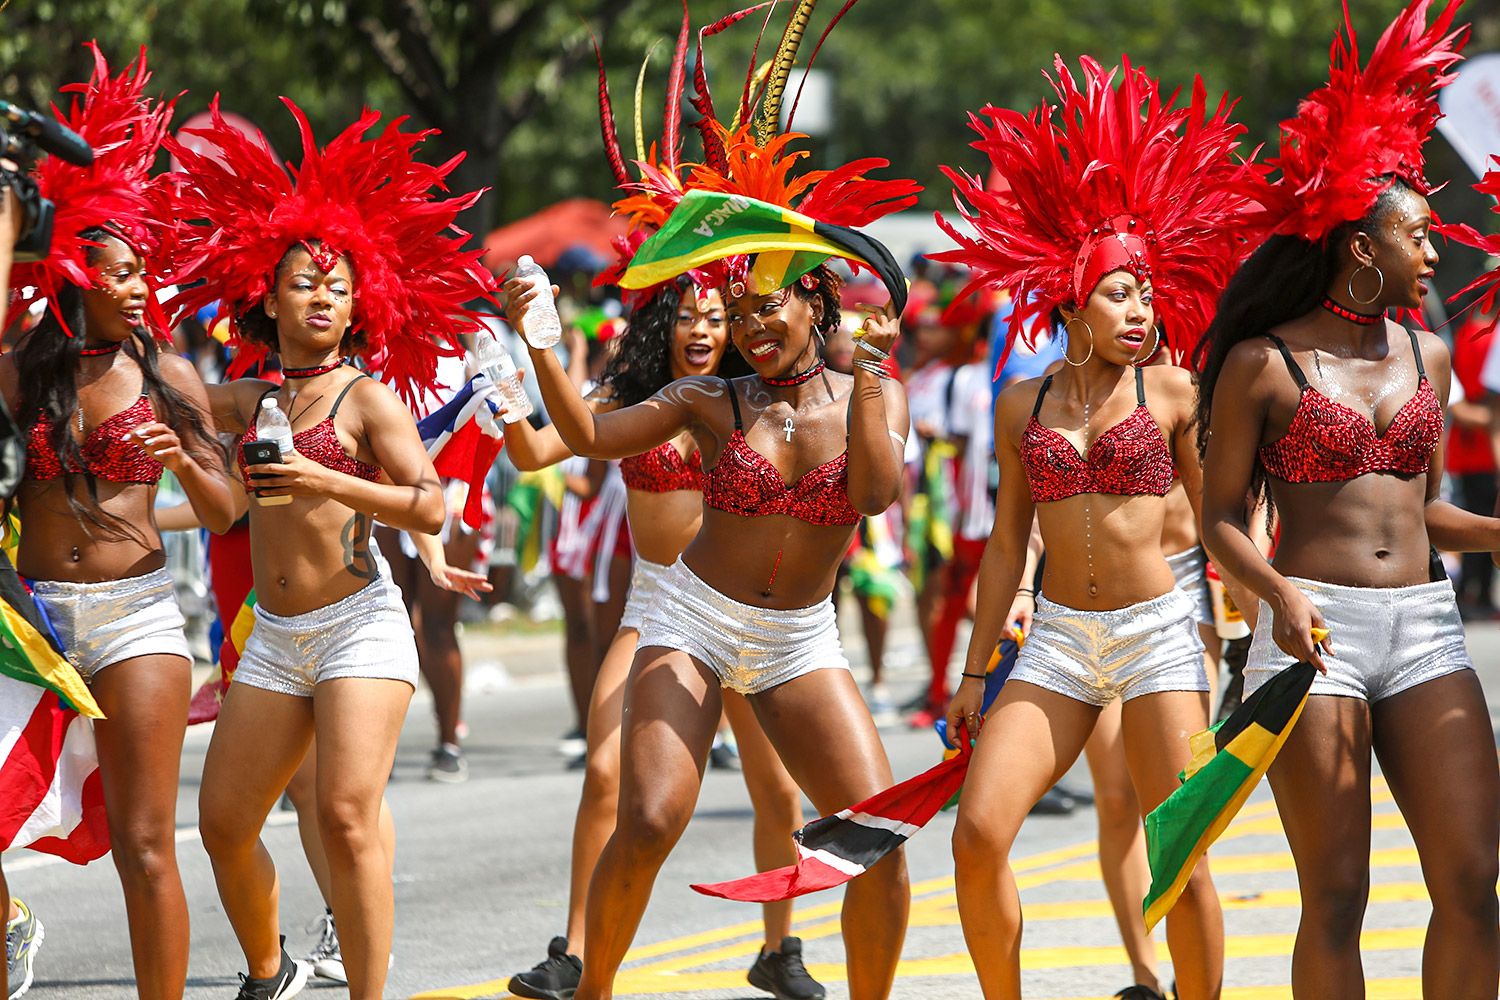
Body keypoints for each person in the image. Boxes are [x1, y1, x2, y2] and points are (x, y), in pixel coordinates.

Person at [508, 47, 921, 985]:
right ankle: (597, 986)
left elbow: (874, 496)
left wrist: (869, 378)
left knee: (877, 838)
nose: (748, 328)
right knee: (650, 816)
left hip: (797, 640)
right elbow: (583, 433)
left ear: (818, 299)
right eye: (736, 314)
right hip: (691, 623)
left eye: (767, 306)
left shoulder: (870, 392)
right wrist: (539, 338)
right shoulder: (709, 399)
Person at [935, 55, 1265, 999]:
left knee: (1180, 850)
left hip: (1159, 638)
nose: (1141, 308)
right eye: (1122, 292)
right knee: (978, 833)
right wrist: (970, 673)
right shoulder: (1016, 404)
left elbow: (1216, 521)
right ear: (1073, 298)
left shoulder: (1171, 390)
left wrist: (1264, 611)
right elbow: (1006, 544)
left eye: (1150, 293)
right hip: (1058, 643)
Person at [1197, 3, 1497, 995]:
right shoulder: (1261, 361)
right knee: (1337, 896)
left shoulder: (1431, 355)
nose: (1433, 250)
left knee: (1473, 881)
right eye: (1417, 235)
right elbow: (1222, 520)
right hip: (1311, 633)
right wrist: (1277, 597)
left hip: (1424, 625)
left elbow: (1424, 511)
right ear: (1360, 248)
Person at [167, 101, 493, 1000]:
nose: (321, 295)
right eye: (303, 281)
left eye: (338, 285)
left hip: (359, 626)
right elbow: (171, 382)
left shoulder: (367, 398)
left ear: (360, 307)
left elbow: (427, 500)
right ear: (267, 299)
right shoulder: (249, 398)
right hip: (274, 635)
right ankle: (268, 970)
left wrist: (329, 485)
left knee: (347, 818)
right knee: (226, 822)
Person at [1, 49, 238, 1000]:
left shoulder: (170, 376)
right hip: (33, 620)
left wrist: (184, 456)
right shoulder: (23, 372)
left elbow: (226, 513)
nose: (143, 288)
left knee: (146, 845)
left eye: (146, 272)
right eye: (121, 272)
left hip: (138, 619)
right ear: (74, 274)